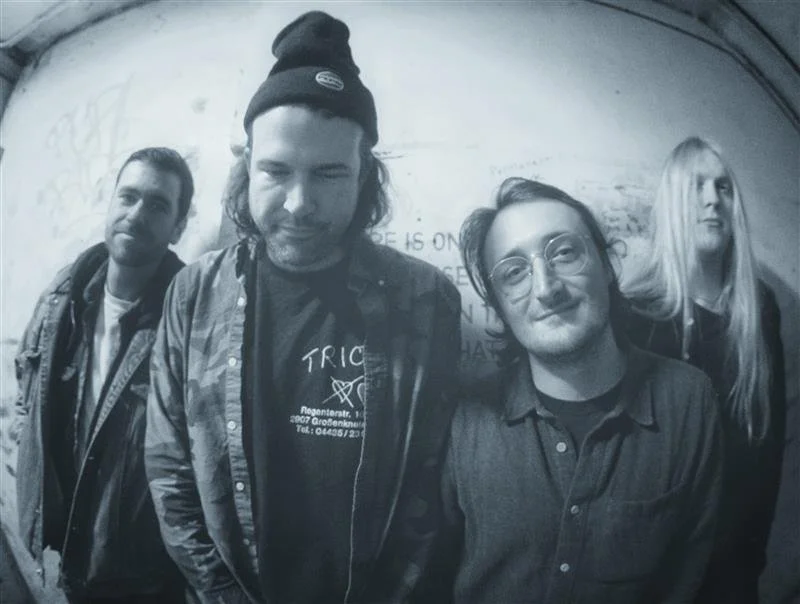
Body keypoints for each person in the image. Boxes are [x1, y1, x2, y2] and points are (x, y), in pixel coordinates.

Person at [144, 11, 461, 604]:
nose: (298, 203)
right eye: (275, 171)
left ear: (365, 177)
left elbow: (430, 491)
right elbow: (169, 472)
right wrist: (223, 595)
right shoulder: (194, 293)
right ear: (246, 169)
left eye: (330, 174)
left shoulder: (426, 301)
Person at [439, 177, 723, 603]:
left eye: (564, 253)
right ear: (498, 305)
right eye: (514, 273)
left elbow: (694, 576)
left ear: (607, 266)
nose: (547, 288)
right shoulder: (465, 416)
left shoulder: (688, 401)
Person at [14, 147, 193, 602]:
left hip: (143, 577)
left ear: (178, 227)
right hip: (64, 557)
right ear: (110, 203)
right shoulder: (62, 298)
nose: (136, 214)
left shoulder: (190, 323)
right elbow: (26, 392)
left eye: (158, 205)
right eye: (128, 197)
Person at [624, 136, 786, 603]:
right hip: (649, 570)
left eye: (723, 186)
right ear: (672, 202)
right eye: (696, 186)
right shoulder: (637, 313)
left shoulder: (758, 310)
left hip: (733, 570)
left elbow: (768, 447)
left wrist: (752, 563)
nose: (712, 199)